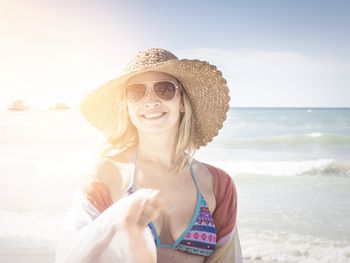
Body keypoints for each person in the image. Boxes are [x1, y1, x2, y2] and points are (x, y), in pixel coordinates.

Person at [55, 48, 243, 263]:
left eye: (164, 90)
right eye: (136, 92)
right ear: (127, 106)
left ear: (182, 101)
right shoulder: (106, 173)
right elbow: (68, 256)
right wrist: (120, 214)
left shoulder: (217, 184)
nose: (151, 101)